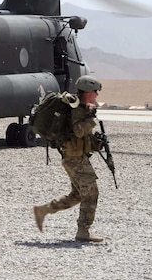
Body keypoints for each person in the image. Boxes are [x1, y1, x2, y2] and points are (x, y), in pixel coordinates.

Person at [33, 74, 106, 242]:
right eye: (95, 92)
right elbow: (79, 130)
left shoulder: (80, 107)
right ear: (88, 92)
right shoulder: (78, 109)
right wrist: (91, 116)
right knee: (91, 193)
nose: (97, 95)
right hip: (75, 159)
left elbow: (80, 136)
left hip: (75, 157)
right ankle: (83, 231)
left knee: (77, 194)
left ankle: (43, 210)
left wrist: (96, 142)